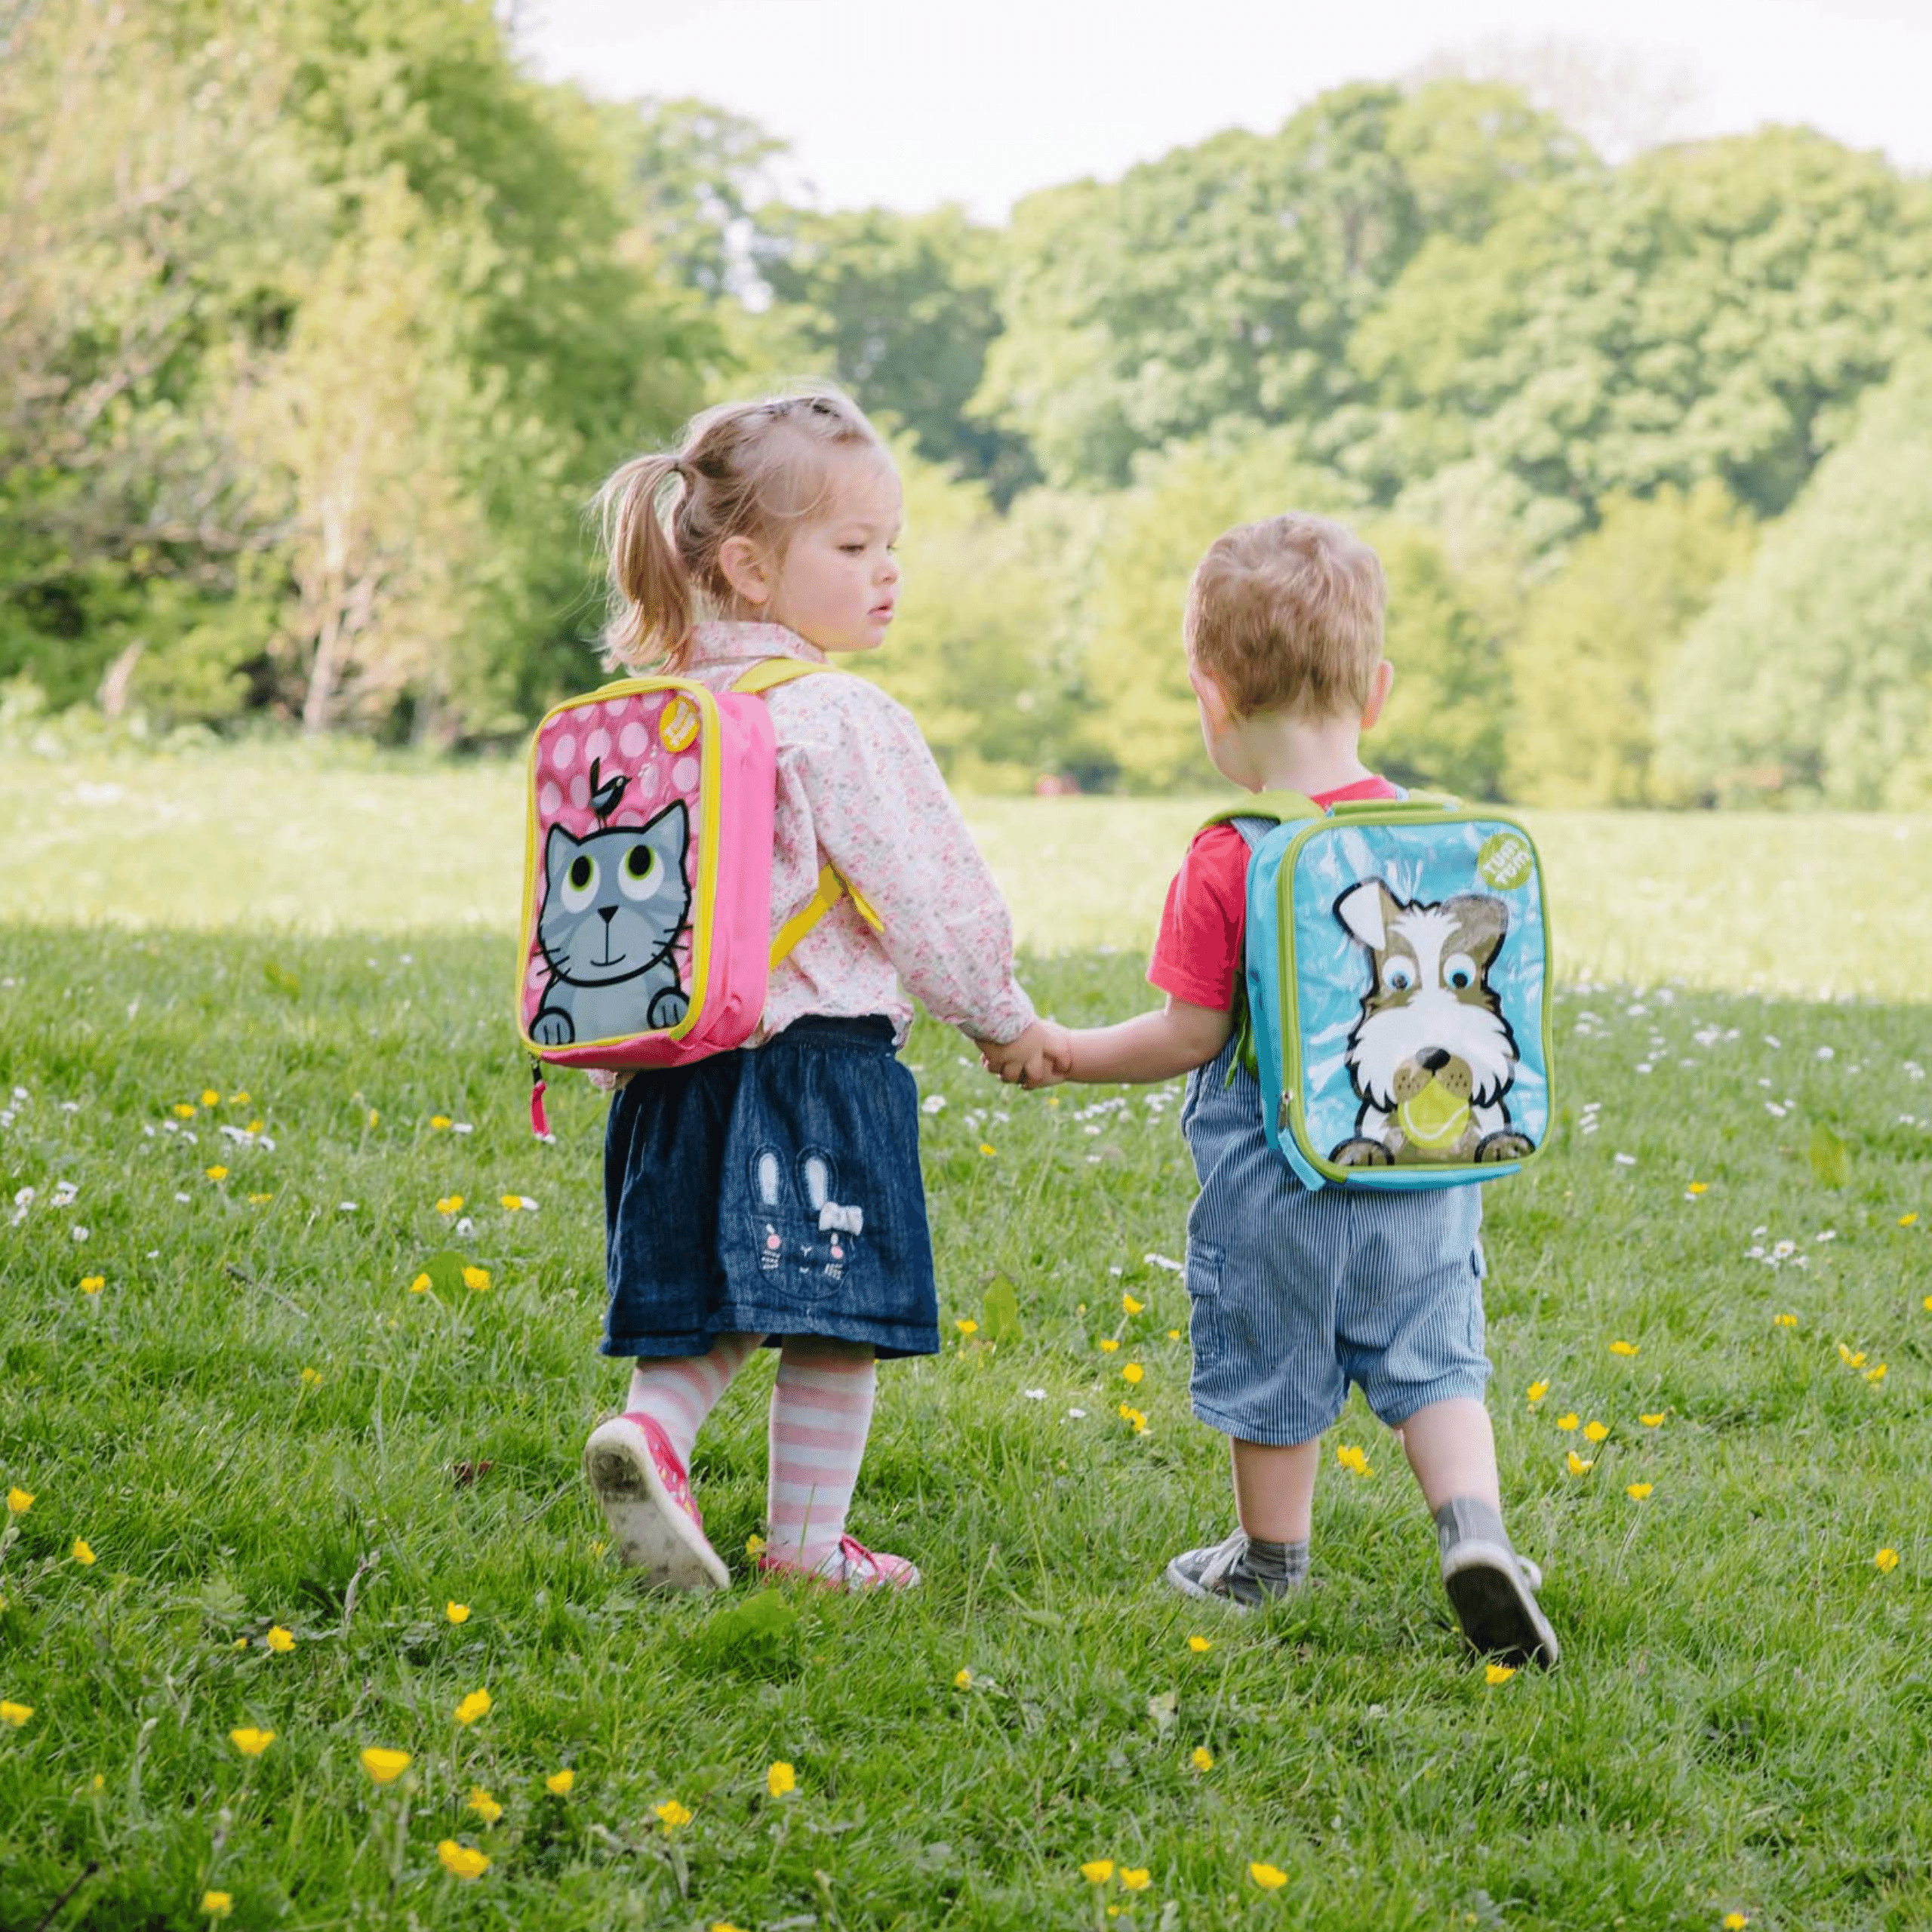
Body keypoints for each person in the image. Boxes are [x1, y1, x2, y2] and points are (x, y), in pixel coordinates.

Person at [1008, 513, 1558, 1664]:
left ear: (1211, 694)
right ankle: (1476, 1534)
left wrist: (1064, 1049)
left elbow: (1187, 1032)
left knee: (1274, 1363)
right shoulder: (1425, 837)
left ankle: (1268, 1561)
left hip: (1278, 1176)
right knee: (1437, 1356)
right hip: (1419, 1162)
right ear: (1378, 688)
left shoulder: (1231, 852)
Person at [579, 388, 1060, 1593]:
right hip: (816, 1067)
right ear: (747, 565)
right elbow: (933, 902)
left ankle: (652, 1436)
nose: (888, 572)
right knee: (834, 1312)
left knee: (711, 1294)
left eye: (892, 545)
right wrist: (1003, 1021)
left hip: (672, 1064)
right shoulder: (842, 716)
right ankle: (805, 1548)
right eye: (853, 548)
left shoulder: (657, 713)